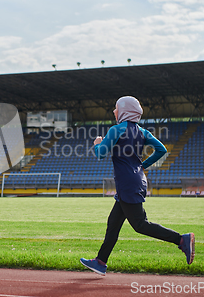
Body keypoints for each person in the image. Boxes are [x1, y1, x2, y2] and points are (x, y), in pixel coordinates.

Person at [80, 96, 195, 276]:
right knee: (113, 223)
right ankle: (100, 262)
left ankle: (181, 240)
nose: (114, 111)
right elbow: (162, 150)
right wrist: (142, 166)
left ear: (124, 110)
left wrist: (96, 144)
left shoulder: (116, 129)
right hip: (136, 180)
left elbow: (101, 154)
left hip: (127, 184)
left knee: (140, 224)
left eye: (116, 108)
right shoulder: (143, 132)